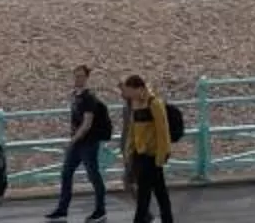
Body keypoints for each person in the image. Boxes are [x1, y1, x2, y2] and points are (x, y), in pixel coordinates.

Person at [48, 65, 111, 220]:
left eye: (81, 76)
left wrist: (73, 140)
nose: (78, 79)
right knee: (66, 173)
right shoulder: (75, 95)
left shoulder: (89, 98)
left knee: (93, 175)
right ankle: (62, 209)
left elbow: (87, 123)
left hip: (88, 143)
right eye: (76, 76)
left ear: (86, 78)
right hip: (78, 143)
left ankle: (100, 209)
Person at [118, 75, 175, 223]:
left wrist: (161, 157)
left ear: (139, 88)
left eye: (130, 90)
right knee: (159, 193)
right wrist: (129, 149)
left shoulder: (154, 103)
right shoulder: (135, 103)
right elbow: (133, 129)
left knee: (144, 194)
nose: (128, 94)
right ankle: (167, 220)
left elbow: (163, 131)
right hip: (140, 155)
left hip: (152, 156)